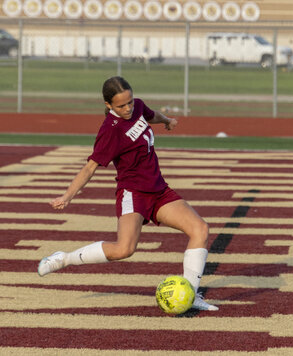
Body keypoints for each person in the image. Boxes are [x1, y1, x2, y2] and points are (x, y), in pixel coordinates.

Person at [38, 76, 218, 312]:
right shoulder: (110, 131)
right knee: (124, 249)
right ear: (108, 105)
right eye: (121, 105)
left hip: (159, 190)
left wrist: (167, 121)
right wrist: (67, 195)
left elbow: (151, 115)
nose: (128, 108)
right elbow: (90, 166)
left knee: (200, 230)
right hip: (133, 193)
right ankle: (64, 258)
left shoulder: (138, 107)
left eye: (130, 102)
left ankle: (192, 295)